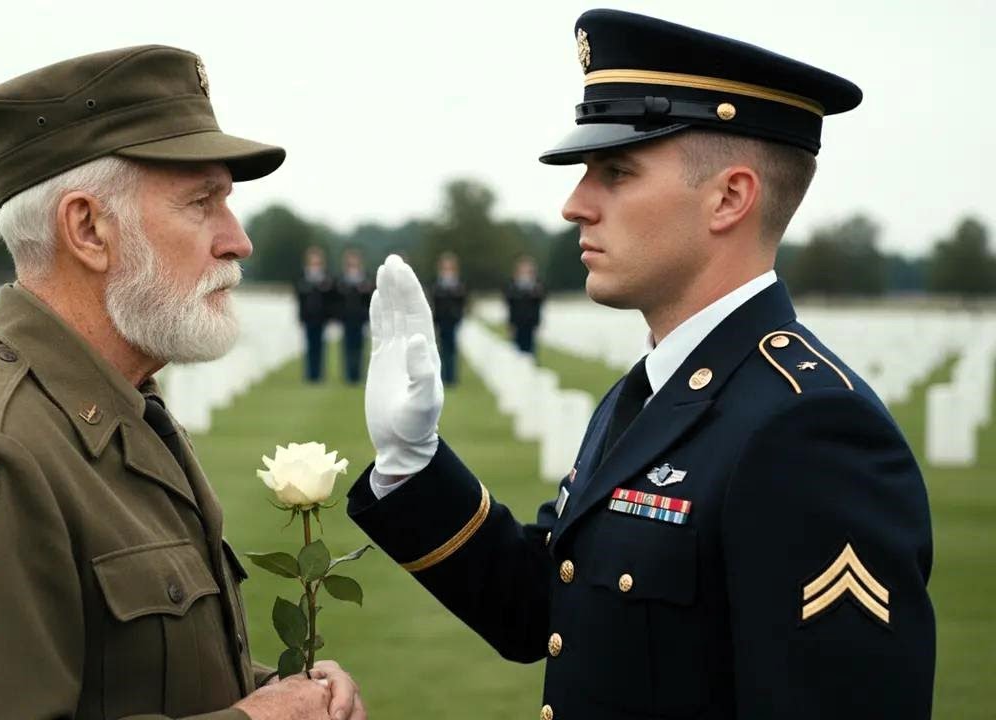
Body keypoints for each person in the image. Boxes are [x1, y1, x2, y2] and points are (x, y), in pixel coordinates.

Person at [350, 10, 934, 720]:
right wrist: (411, 464)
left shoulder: (809, 430)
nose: (574, 205)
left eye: (617, 172)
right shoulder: (656, 390)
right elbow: (550, 603)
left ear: (729, 198)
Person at [0, 45, 364, 720]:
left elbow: (130, 675)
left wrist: (283, 694)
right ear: (88, 228)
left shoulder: (119, 409)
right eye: (202, 203)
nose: (238, 241)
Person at [296, 246, 336, 383]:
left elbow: (331, 299)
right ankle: (310, 374)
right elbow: (299, 299)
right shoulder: (303, 277)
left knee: (321, 346)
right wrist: (300, 316)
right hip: (308, 317)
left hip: (322, 316)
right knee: (309, 346)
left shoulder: (327, 277)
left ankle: (320, 374)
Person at [335, 248, 374, 384]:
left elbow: (369, 300)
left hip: (360, 319)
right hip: (347, 319)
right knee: (347, 347)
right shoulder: (341, 280)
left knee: (360, 348)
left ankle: (358, 375)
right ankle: (349, 375)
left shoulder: (365, 279)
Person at [430, 252, 467, 386]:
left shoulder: (458, 284)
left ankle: (452, 377)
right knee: (442, 349)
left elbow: (462, 302)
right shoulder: (437, 284)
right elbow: (435, 302)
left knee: (452, 349)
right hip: (441, 321)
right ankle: (443, 376)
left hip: (453, 320)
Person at [503, 255, 546, 356]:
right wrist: (510, 324)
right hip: (517, 324)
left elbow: (540, 301)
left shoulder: (537, 286)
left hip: (530, 324)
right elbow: (510, 304)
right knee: (517, 353)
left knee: (530, 351)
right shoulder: (512, 286)